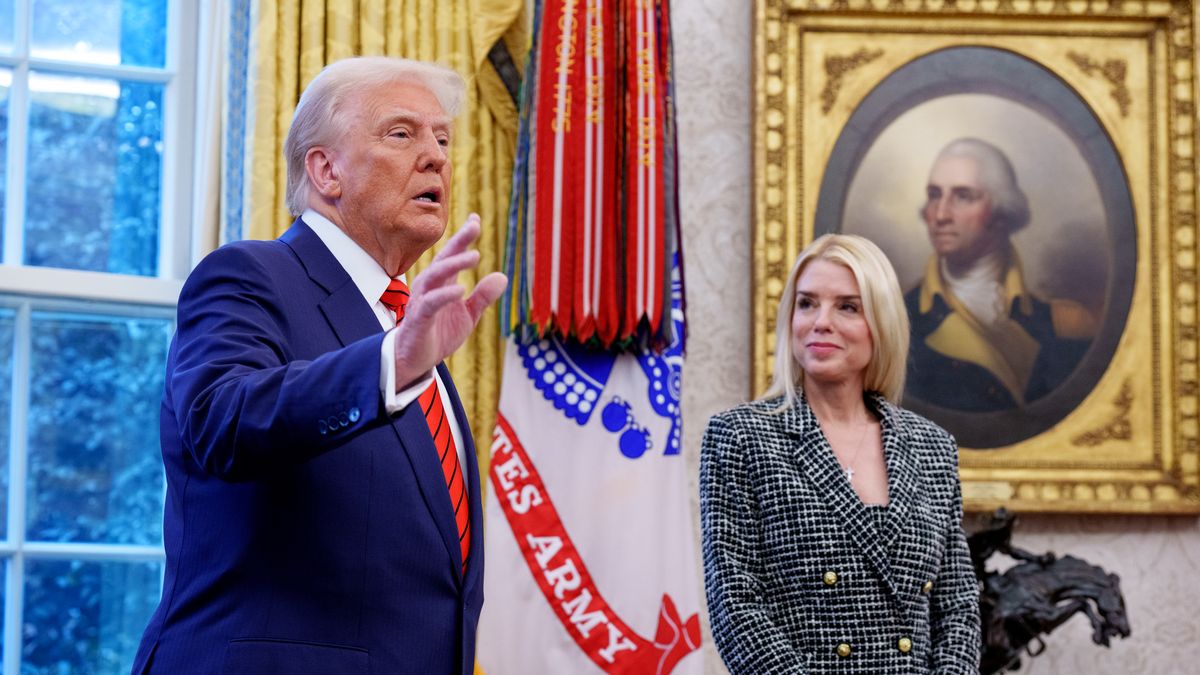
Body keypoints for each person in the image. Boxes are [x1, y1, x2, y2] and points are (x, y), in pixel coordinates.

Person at [132, 56, 507, 674]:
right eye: (402, 133)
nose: (437, 156)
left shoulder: (405, 323)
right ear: (326, 169)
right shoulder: (250, 276)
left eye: (442, 138)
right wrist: (391, 363)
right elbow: (221, 421)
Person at [700, 234, 980, 673]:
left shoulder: (932, 446)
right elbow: (735, 605)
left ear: (882, 323)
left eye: (847, 306)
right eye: (807, 303)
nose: (820, 321)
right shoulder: (741, 437)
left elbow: (958, 606)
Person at [906, 137, 1096, 412]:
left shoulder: (1067, 325)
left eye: (963, 196)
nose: (940, 214)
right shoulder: (897, 322)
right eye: (935, 194)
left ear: (1001, 211)